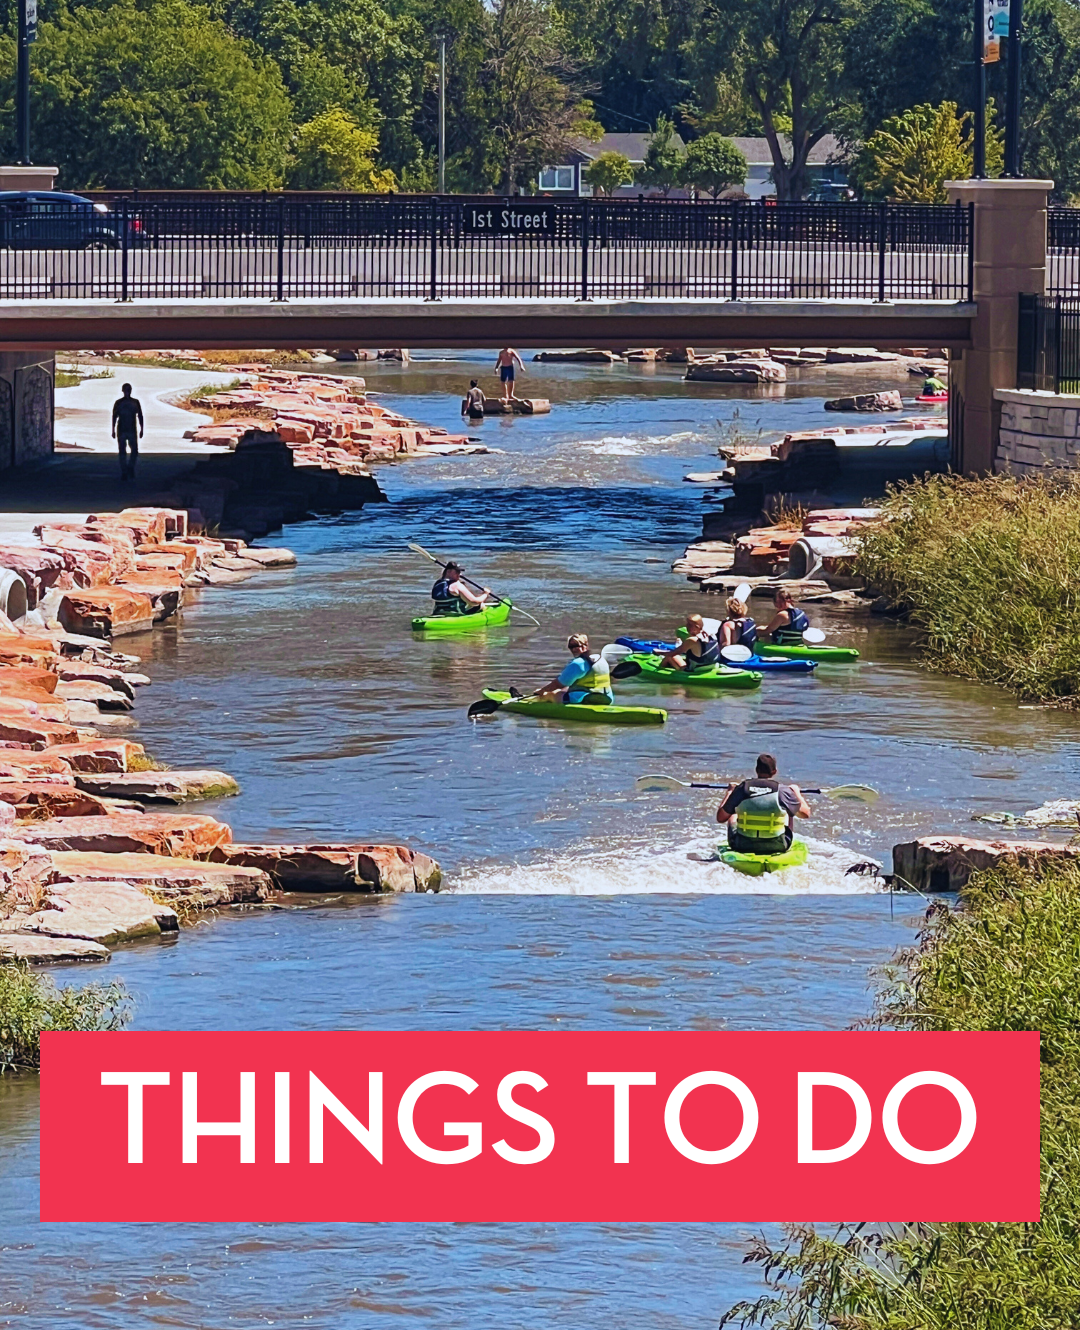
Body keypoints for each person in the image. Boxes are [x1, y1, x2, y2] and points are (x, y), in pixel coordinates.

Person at [716, 753, 812, 856]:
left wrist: (730, 792)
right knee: (789, 811)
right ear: (774, 772)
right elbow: (805, 814)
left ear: (756, 770)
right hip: (778, 846)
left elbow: (721, 818)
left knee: (733, 812)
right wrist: (795, 791)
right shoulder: (782, 790)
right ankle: (779, 840)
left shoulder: (742, 788)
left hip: (742, 845)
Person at [536, 634, 613, 705]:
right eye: (571, 646)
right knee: (565, 689)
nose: (573, 649)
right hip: (607, 698)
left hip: (586, 699)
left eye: (576, 645)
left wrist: (542, 691)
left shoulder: (578, 663)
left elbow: (558, 684)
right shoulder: (600, 659)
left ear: (585, 645)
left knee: (550, 694)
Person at [111, 383, 144, 480]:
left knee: (134, 450)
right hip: (122, 429)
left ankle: (130, 467)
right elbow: (114, 416)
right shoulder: (119, 403)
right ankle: (125, 471)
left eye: (128, 390)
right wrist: (113, 429)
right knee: (122, 451)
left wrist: (142, 429)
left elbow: (140, 416)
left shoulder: (135, 402)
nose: (127, 392)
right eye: (126, 390)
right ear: (123, 391)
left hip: (132, 429)